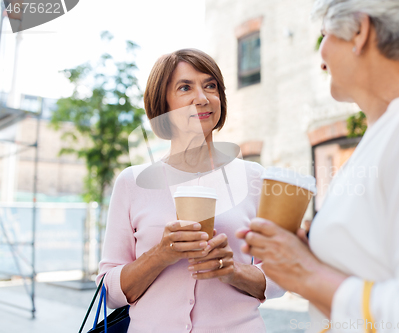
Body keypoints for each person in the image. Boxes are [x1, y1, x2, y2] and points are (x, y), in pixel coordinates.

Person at [237, 1, 399, 332]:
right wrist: (302, 258)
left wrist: (304, 272)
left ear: (359, 32)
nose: (322, 57)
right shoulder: (382, 137)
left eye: (325, 36)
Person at [97, 49, 283, 332]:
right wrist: (160, 255)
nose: (202, 97)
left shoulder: (254, 178)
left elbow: (282, 275)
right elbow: (107, 293)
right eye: (185, 87)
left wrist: (233, 271)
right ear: (163, 103)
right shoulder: (132, 182)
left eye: (211, 86)